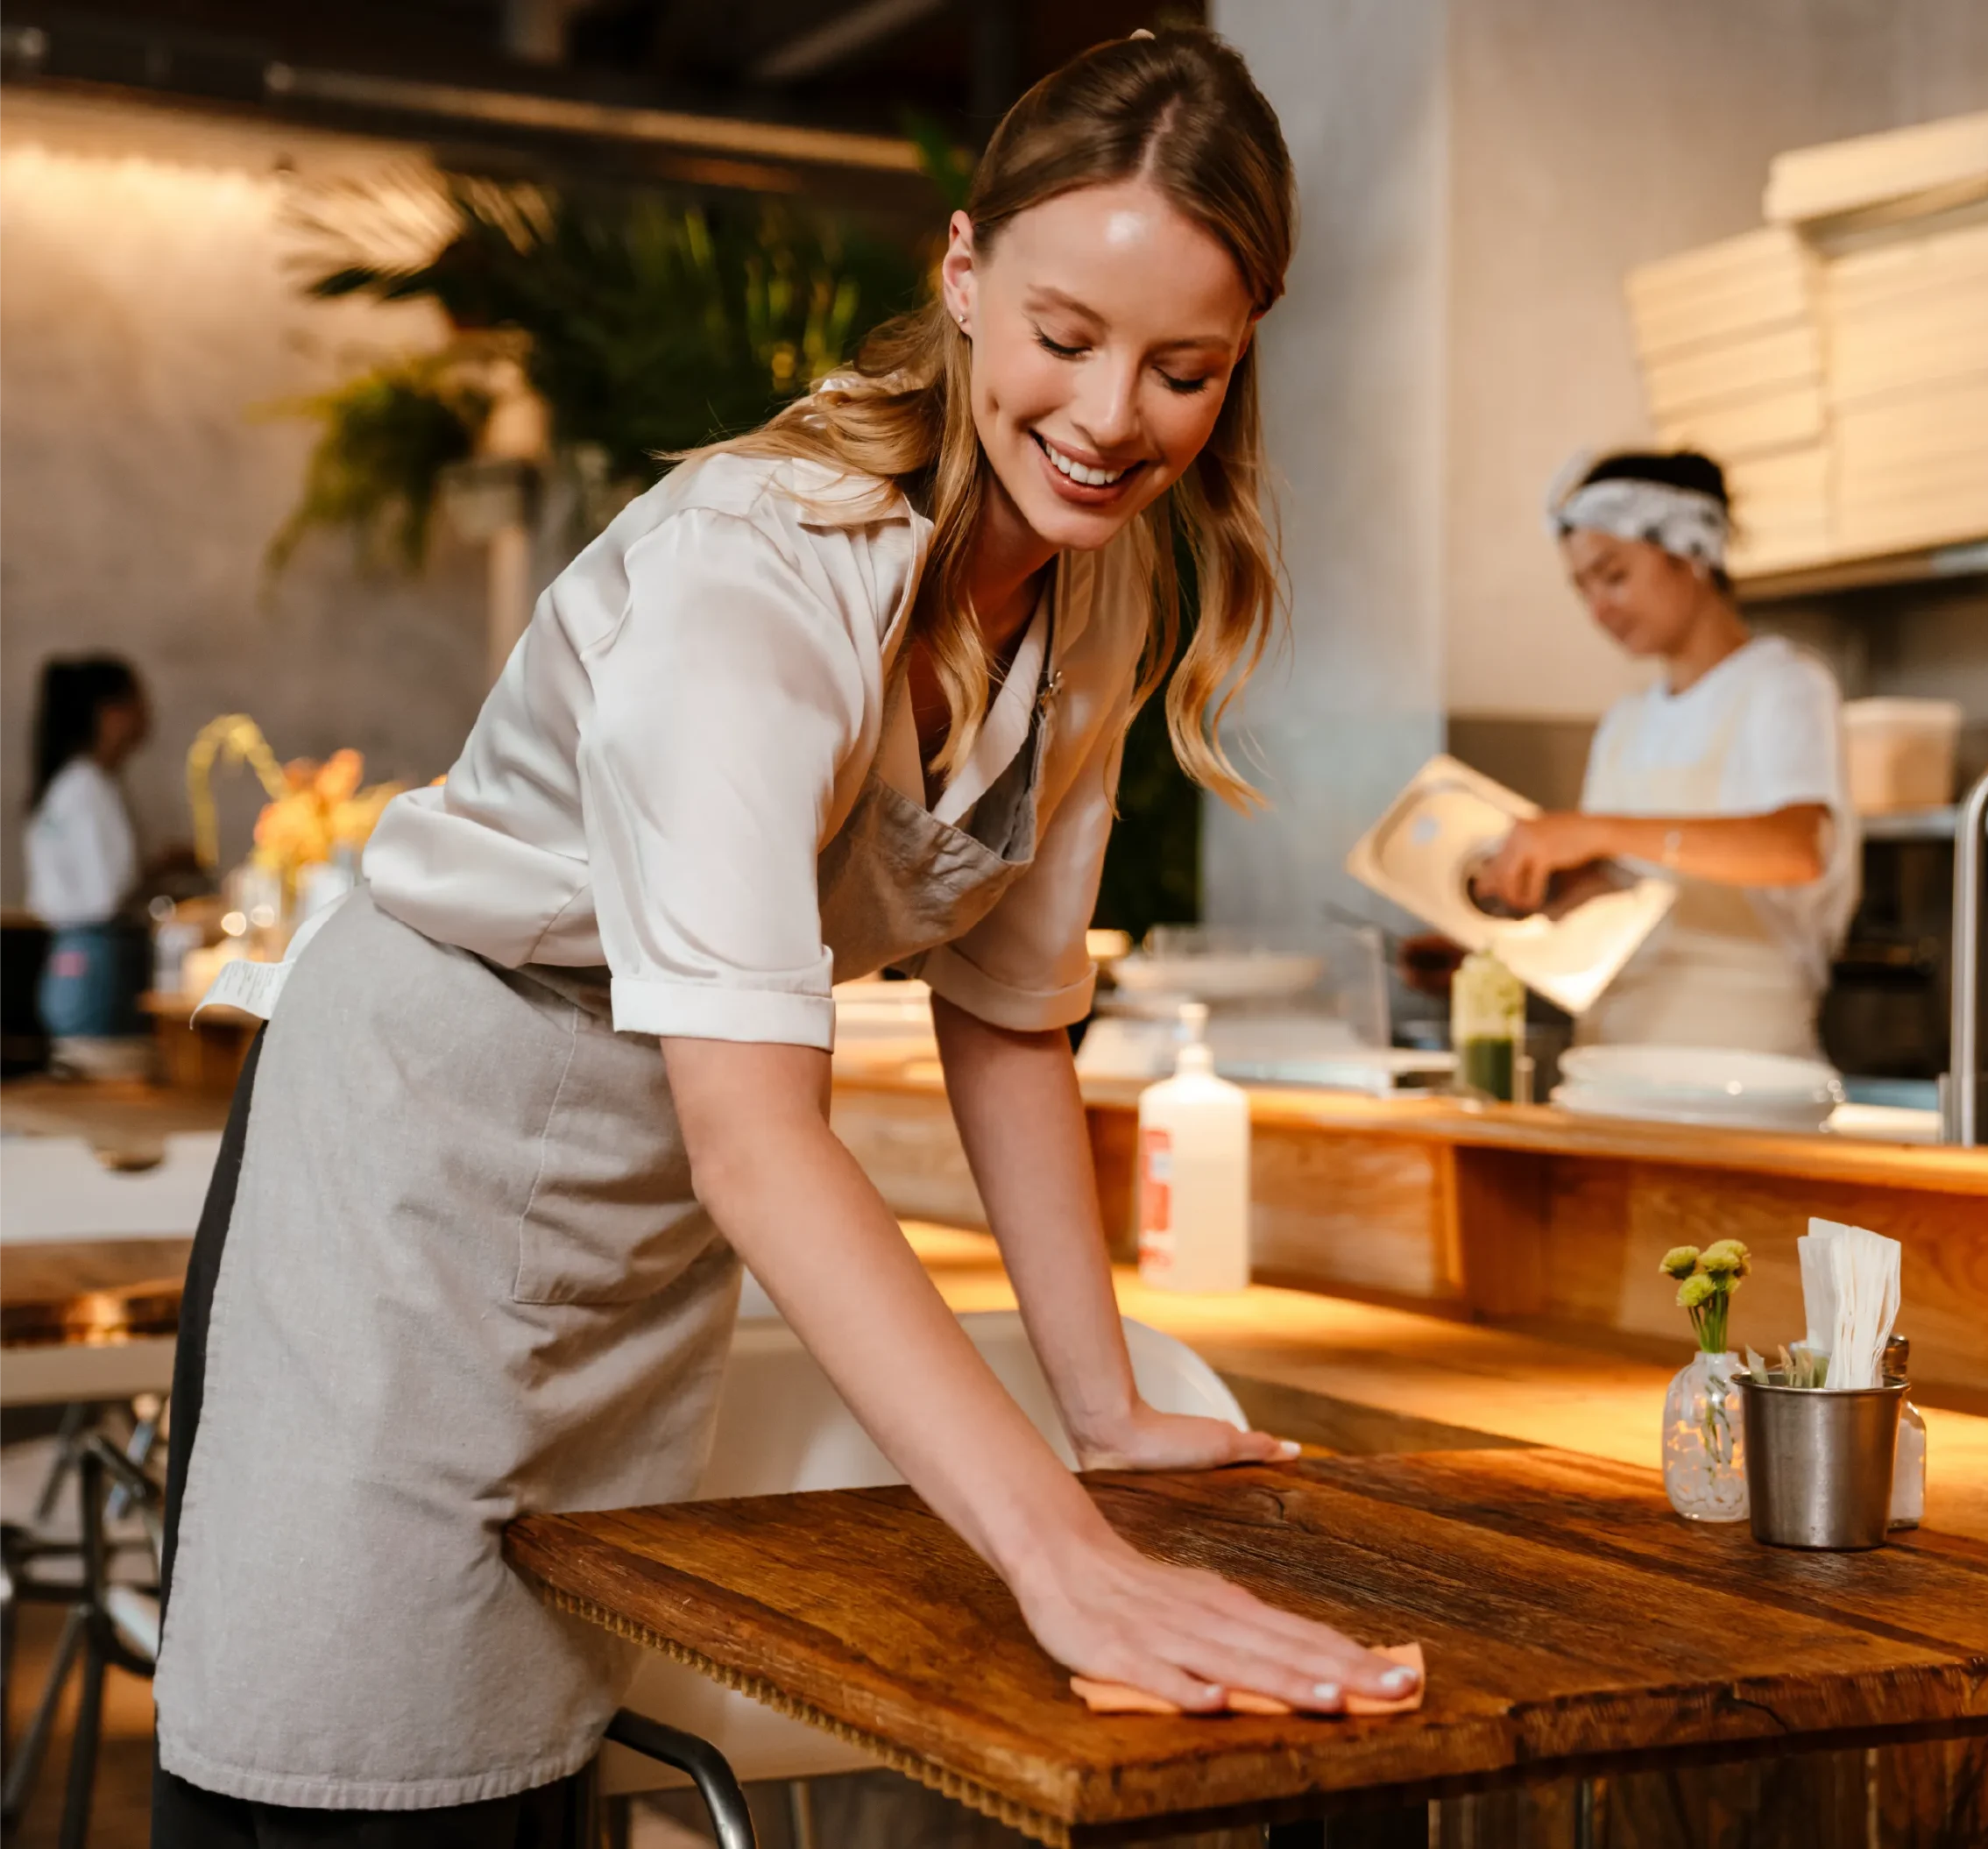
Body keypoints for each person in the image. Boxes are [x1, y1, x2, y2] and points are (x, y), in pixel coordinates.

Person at [151, 30, 1416, 1846]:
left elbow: (1004, 1016)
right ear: (964, 276)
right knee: (343, 1765)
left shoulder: (1102, 585)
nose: (1111, 415)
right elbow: (761, 1132)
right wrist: (1059, 1561)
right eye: (1064, 338)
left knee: (521, 1766)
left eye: (1182, 368)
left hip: (635, 1173)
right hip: (421, 1159)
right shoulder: (750, 583)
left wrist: (1101, 1403)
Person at [1472, 451, 1858, 1060]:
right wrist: (1488, 947)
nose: (1599, 609)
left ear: (1692, 553)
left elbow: (1796, 848)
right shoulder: (1626, 722)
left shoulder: (1783, 686)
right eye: (1583, 588)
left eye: (1615, 575)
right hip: (1614, 1054)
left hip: (1741, 1068)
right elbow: (1618, 894)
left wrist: (1594, 829)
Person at [22, 653, 152, 1060]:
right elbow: (107, 893)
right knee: (104, 1077)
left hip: (69, 958)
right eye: (138, 702)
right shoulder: (87, 788)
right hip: (99, 962)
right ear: (109, 713)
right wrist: (162, 870)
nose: (148, 714)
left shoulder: (69, 784)